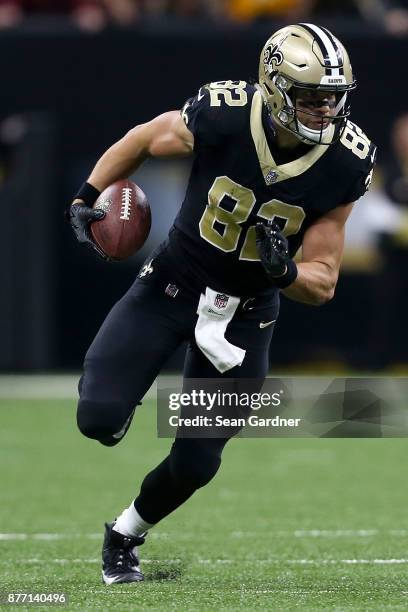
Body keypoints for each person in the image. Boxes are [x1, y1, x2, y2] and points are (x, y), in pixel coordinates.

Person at [67, 23, 376, 584]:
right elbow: (144, 138)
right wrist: (87, 196)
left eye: (333, 98)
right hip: (173, 284)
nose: (324, 111)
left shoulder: (346, 161)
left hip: (246, 315)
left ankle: (125, 533)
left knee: (197, 462)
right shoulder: (225, 111)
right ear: (276, 88)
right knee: (99, 419)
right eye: (310, 98)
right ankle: (120, 405)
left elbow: (323, 281)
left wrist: (284, 271)